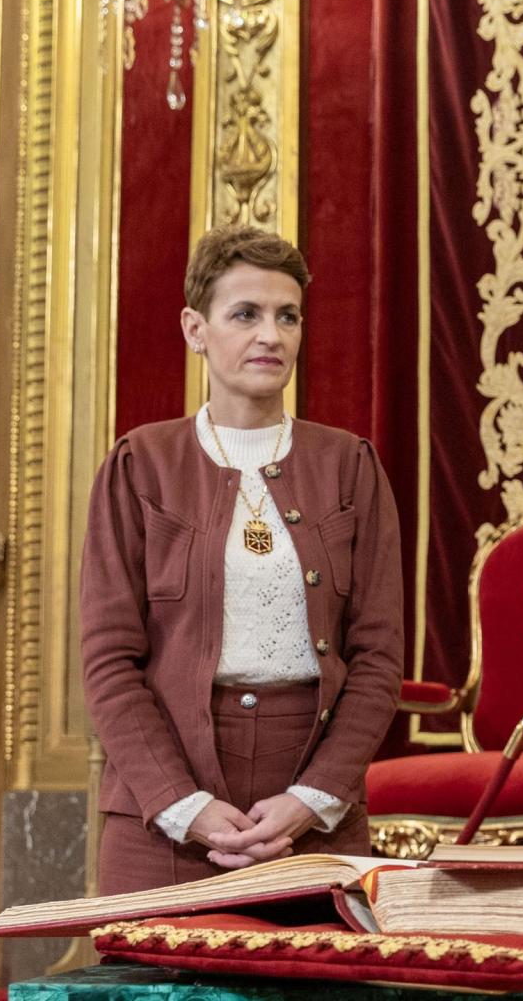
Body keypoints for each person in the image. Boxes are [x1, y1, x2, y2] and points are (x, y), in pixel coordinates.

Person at [81, 224, 404, 894]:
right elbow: (109, 660)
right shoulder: (141, 465)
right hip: (161, 821)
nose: (271, 335)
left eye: (288, 316)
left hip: (315, 818)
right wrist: (185, 805)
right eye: (246, 315)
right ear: (195, 329)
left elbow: (378, 659)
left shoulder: (350, 467)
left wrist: (313, 797)